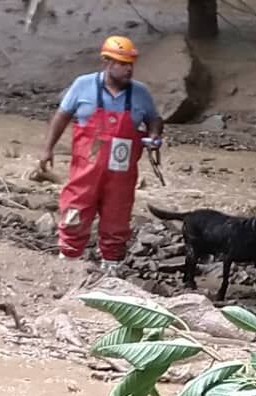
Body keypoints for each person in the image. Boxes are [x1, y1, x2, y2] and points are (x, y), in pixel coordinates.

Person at [38, 35, 163, 274]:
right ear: (107, 63)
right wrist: (47, 149)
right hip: (85, 172)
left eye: (131, 64)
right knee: (75, 210)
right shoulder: (83, 86)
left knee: (117, 217)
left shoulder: (140, 93)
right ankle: (69, 262)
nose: (129, 70)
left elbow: (154, 119)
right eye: (123, 64)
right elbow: (61, 117)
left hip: (121, 175)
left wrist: (154, 137)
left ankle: (111, 266)